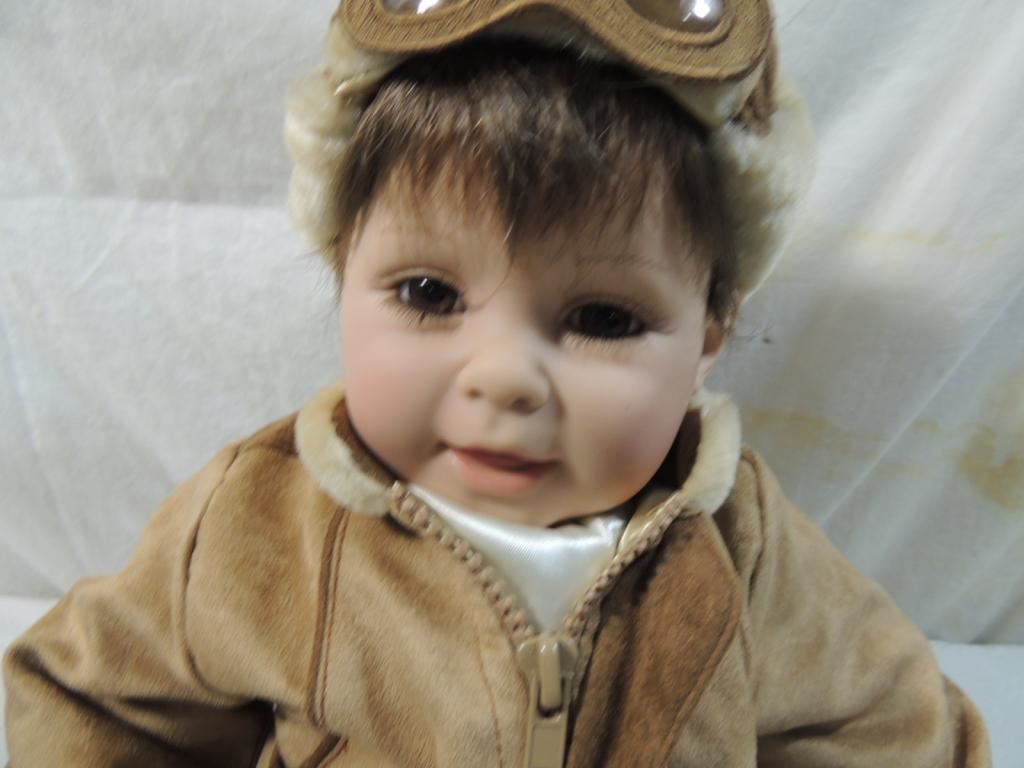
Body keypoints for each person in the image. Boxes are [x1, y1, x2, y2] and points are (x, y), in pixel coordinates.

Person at [3, 1, 991, 765]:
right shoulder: (258, 528)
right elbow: (88, 699)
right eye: (429, 293)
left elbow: (900, 729)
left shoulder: (743, 550)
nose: (507, 377)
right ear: (341, 272)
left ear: (707, 339)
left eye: (603, 319)